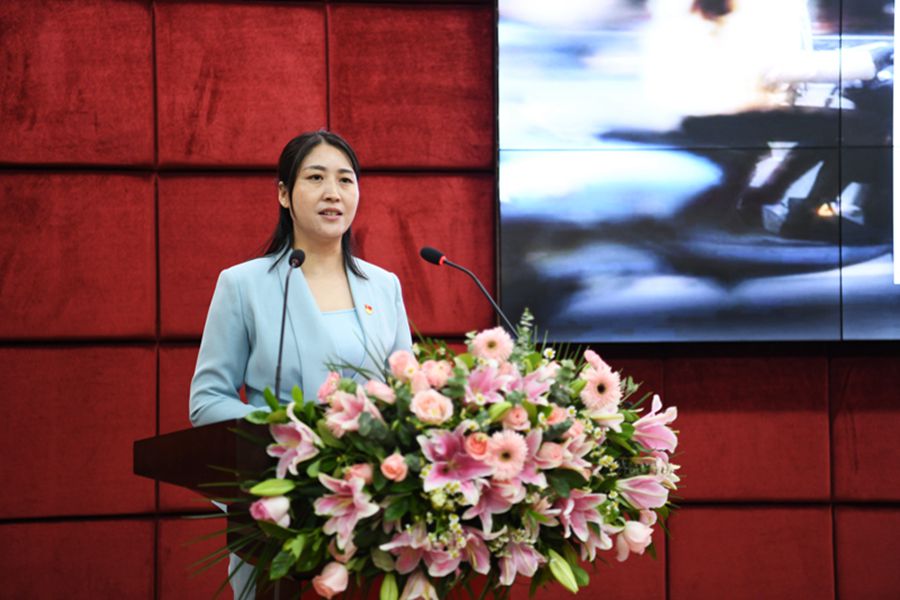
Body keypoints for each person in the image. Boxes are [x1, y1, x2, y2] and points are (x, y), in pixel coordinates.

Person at [189, 130, 413, 598]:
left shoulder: (383, 286)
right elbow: (207, 401)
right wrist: (295, 435)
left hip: (374, 515)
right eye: (315, 178)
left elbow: (407, 395)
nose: (333, 192)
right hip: (283, 512)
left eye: (345, 180)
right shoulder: (243, 285)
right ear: (284, 194)